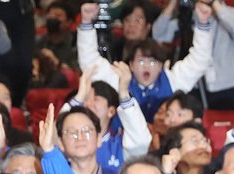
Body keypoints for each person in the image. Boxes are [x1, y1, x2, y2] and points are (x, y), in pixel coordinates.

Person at [79, 2, 213, 118]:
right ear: (131, 65)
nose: (147, 67)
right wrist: (86, 22)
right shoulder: (119, 81)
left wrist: (202, 23)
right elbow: (90, 62)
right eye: (141, 62)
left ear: (161, 66)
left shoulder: (172, 80)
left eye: (153, 62)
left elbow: (200, 59)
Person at [152, 0, 234, 109]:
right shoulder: (191, 16)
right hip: (197, 86)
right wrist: (173, 4)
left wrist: (214, 4)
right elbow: (158, 35)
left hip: (229, 86)